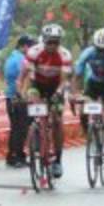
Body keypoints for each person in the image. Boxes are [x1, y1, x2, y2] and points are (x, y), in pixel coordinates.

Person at [20, 23, 74, 178]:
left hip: (56, 86)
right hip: (38, 84)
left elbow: (64, 80)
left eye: (56, 42)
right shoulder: (34, 52)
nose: (52, 45)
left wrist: (58, 93)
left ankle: (58, 159)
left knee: (57, 120)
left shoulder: (65, 55)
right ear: (43, 40)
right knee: (32, 103)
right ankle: (35, 132)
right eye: (49, 41)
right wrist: (23, 93)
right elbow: (26, 76)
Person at [74, 28, 104, 170]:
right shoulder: (88, 53)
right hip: (93, 84)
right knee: (84, 111)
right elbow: (77, 75)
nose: (102, 53)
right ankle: (88, 135)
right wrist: (77, 93)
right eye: (99, 49)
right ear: (94, 46)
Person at [3, 35, 35, 167]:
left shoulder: (12, 58)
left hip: (12, 97)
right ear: (23, 46)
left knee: (17, 127)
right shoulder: (21, 60)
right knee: (20, 128)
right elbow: (24, 79)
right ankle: (15, 156)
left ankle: (16, 155)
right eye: (30, 46)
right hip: (18, 97)